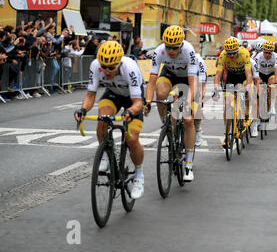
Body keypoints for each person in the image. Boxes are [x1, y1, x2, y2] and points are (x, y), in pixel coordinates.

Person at [74, 41, 146, 199]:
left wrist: (130, 111)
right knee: (103, 119)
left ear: (119, 62)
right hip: (113, 94)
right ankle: (106, 155)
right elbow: (90, 95)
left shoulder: (130, 68)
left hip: (132, 99)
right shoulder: (95, 66)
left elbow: (138, 102)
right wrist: (83, 110)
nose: (106, 70)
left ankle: (139, 175)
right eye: (103, 66)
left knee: (132, 138)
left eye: (111, 67)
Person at [145, 25, 198, 182]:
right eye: (168, 47)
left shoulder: (189, 51)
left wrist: (187, 104)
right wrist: (148, 102)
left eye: (174, 48)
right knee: (160, 92)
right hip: (169, 74)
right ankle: (166, 124)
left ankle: (188, 164)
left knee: (188, 119)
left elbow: (193, 82)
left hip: (187, 79)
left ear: (181, 45)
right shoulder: (159, 51)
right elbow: (151, 81)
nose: (170, 51)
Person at [213, 37, 253, 147]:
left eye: (234, 53)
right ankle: (227, 136)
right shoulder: (223, 55)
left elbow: (249, 74)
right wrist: (216, 88)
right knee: (228, 105)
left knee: (247, 94)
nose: (231, 56)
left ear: (237, 50)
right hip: (231, 77)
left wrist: (247, 87)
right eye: (229, 53)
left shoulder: (244, 53)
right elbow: (218, 74)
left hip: (243, 76)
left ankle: (245, 116)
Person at [254, 41, 277, 117]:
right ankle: (257, 110)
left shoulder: (276, 56)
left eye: (269, 53)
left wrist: (276, 82)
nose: (267, 54)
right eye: (266, 52)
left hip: (270, 74)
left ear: (272, 52)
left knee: (272, 85)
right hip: (261, 74)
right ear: (263, 51)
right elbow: (256, 71)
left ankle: (272, 106)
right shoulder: (258, 57)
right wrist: (258, 81)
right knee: (259, 90)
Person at [194, 53, 207, 147]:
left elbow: (202, 82)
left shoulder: (198, 60)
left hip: (198, 78)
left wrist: (201, 96)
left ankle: (198, 130)